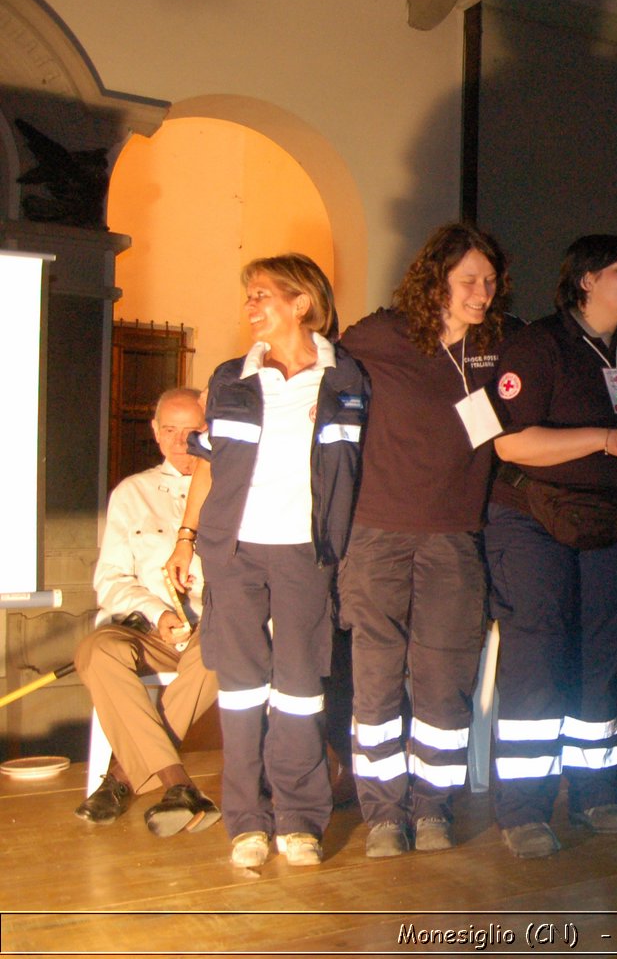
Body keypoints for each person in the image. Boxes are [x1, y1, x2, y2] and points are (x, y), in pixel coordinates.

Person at [166, 253, 368, 870]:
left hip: (307, 553)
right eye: (249, 297)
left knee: (302, 689)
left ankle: (301, 820)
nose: (249, 308)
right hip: (233, 552)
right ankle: (246, 822)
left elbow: (361, 475)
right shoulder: (230, 378)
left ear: (300, 301)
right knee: (241, 689)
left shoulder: (347, 379)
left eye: (261, 295)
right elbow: (207, 467)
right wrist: (184, 538)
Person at [336, 222, 511, 858]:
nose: (482, 293)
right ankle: (383, 813)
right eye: (468, 280)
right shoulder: (378, 336)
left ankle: (432, 807)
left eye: (490, 282)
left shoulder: (496, 346)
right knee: (377, 678)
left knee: (444, 676)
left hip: (455, 539)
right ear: (434, 280)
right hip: (377, 533)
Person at [485, 234, 617, 859]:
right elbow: (510, 444)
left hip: (612, 525)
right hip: (534, 521)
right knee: (538, 652)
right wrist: (602, 438)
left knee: (602, 654)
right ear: (585, 280)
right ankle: (525, 811)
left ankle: (594, 793)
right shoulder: (538, 344)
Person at [74, 387, 220, 836]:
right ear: (155, 434)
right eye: (170, 432)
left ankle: (121, 779)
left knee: (228, 644)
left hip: (210, 635)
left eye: (192, 432)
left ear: (208, 432)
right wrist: (156, 612)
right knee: (96, 651)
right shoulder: (132, 494)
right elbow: (111, 580)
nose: (181, 444)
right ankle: (175, 782)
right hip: (151, 632)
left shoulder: (231, 492)